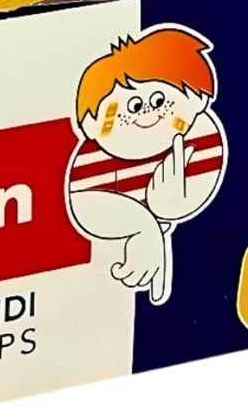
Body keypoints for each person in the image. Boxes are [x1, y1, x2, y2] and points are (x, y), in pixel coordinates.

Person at [66, 27, 227, 305]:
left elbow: (201, 181)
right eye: (133, 106)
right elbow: (85, 204)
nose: (147, 113)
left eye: (159, 101)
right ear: (93, 124)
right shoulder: (92, 164)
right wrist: (144, 227)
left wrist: (169, 206)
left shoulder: (200, 137)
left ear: (196, 98)